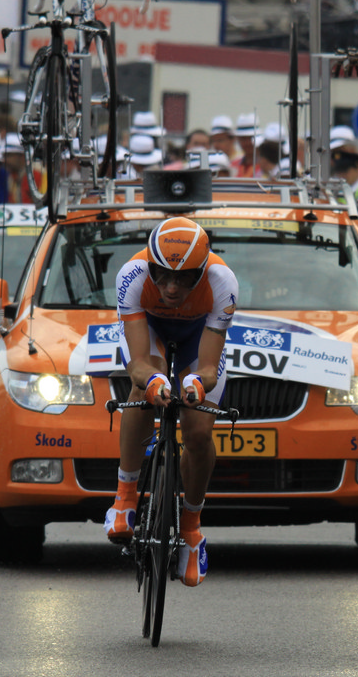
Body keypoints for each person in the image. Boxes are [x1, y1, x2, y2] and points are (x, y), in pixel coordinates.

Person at [106, 218, 239, 587]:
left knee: (198, 433)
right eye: (161, 275)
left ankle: (192, 529)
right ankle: (125, 497)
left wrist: (196, 383)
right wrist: (152, 380)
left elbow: (208, 368)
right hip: (150, 330)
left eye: (184, 278)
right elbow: (138, 363)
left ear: (202, 271)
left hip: (198, 337)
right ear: (150, 265)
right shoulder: (132, 275)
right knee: (144, 389)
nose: (170, 287)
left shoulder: (222, 281)